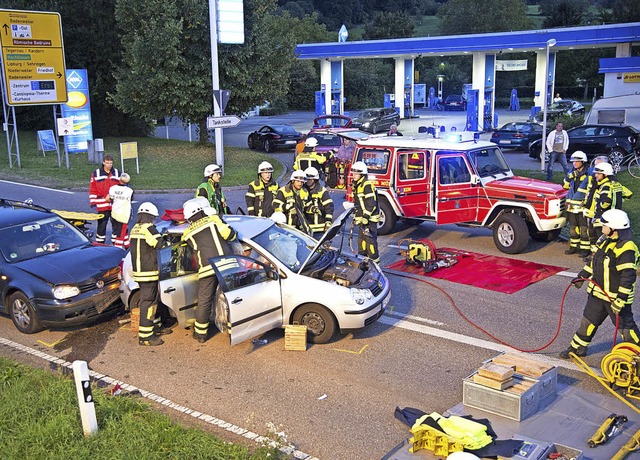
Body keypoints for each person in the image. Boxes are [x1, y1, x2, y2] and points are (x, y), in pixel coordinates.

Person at [560, 209, 639, 358]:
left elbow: (628, 277)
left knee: (626, 329)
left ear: (614, 229)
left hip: (615, 300)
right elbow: (594, 262)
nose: (602, 228)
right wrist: (581, 276)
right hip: (597, 294)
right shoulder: (603, 240)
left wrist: (620, 300)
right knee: (587, 322)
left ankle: (636, 356)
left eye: (604, 226)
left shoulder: (627, 249)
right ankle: (577, 349)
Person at [181, 198, 237, 343]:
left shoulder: (188, 233)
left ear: (189, 218)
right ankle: (234, 330)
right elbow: (230, 235)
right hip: (226, 265)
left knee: (204, 300)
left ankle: (200, 334)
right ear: (201, 211)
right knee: (233, 298)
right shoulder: (214, 219)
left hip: (207, 268)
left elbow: (193, 250)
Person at [129, 202, 173, 346]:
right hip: (148, 272)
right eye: (153, 217)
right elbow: (160, 245)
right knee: (148, 302)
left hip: (141, 271)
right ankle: (146, 336)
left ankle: (156, 326)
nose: (154, 220)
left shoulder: (135, 228)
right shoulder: (148, 229)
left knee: (153, 300)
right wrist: (168, 241)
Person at [584, 162, 625, 254]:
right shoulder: (616, 184)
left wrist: (599, 209)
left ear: (606, 174)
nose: (596, 175)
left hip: (603, 218)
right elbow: (628, 194)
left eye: (598, 173)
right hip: (614, 216)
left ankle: (597, 258)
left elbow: (605, 202)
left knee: (600, 240)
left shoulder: (605, 186)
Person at [351, 161, 380, 262]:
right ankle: (363, 265)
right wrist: (357, 218)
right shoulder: (357, 185)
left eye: (356, 173)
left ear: (362, 174)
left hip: (370, 220)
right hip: (363, 220)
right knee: (362, 243)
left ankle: (375, 266)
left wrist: (365, 218)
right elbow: (358, 204)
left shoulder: (366, 185)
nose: (353, 175)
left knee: (371, 244)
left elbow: (371, 203)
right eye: (353, 173)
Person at [562, 151, 589, 257]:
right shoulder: (571, 173)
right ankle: (573, 247)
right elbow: (565, 186)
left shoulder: (589, 174)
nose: (575, 163)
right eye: (573, 162)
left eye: (577, 161)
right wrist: (569, 177)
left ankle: (584, 249)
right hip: (572, 207)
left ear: (583, 162)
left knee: (583, 229)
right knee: (573, 228)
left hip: (583, 206)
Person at [89, 154, 121, 243]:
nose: (109, 165)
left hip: (115, 205)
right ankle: (100, 243)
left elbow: (122, 187)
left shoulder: (118, 173)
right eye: (107, 163)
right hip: (102, 205)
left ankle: (116, 243)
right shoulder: (96, 174)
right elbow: (93, 189)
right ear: (103, 162)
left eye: (111, 163)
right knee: (101, 225)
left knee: (116, 225)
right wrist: (93, 202)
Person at [273, 170, 312, 235]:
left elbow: (307, 205)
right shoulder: (283, 191)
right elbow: (275, 205)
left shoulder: (304, 191)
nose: (300, 184)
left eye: (302, 182)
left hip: (300, 223)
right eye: (298, 181)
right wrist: (288, 207)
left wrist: (313, 209)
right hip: (287, 225)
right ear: (293, 180)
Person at [304, 166, 334, 238]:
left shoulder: (321, 191)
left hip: (319, 229)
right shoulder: (303, 191)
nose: (308, 181)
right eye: (307, 179)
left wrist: (328, 221)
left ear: (315, 180)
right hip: (306, 228)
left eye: (311, 179)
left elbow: (329, 207)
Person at [108, 173, 133, 250]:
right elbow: (131, 199)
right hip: (123, 215)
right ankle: (117, 249)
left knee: (119, 230)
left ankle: (127, 245)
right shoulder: (129, 191)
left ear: (120, 179)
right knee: (120, 234)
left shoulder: (112, 188)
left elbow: (109, 198)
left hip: (114, 213)